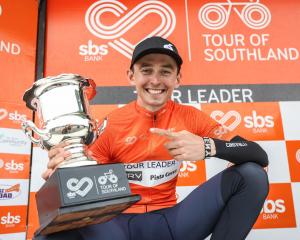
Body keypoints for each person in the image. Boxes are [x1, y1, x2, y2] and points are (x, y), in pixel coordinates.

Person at [38, 37, 269, 240]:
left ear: (178, 78)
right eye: (146, 70)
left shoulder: (191, 118)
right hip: (115, 226)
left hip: (170, 223)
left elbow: (257, 153)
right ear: (131, 76)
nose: (156, 81)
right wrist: (62, 174)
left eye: (165, 71)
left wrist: (208, 146)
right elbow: (81, 184)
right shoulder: (111, 124)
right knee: (53, 230)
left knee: (252, 175)